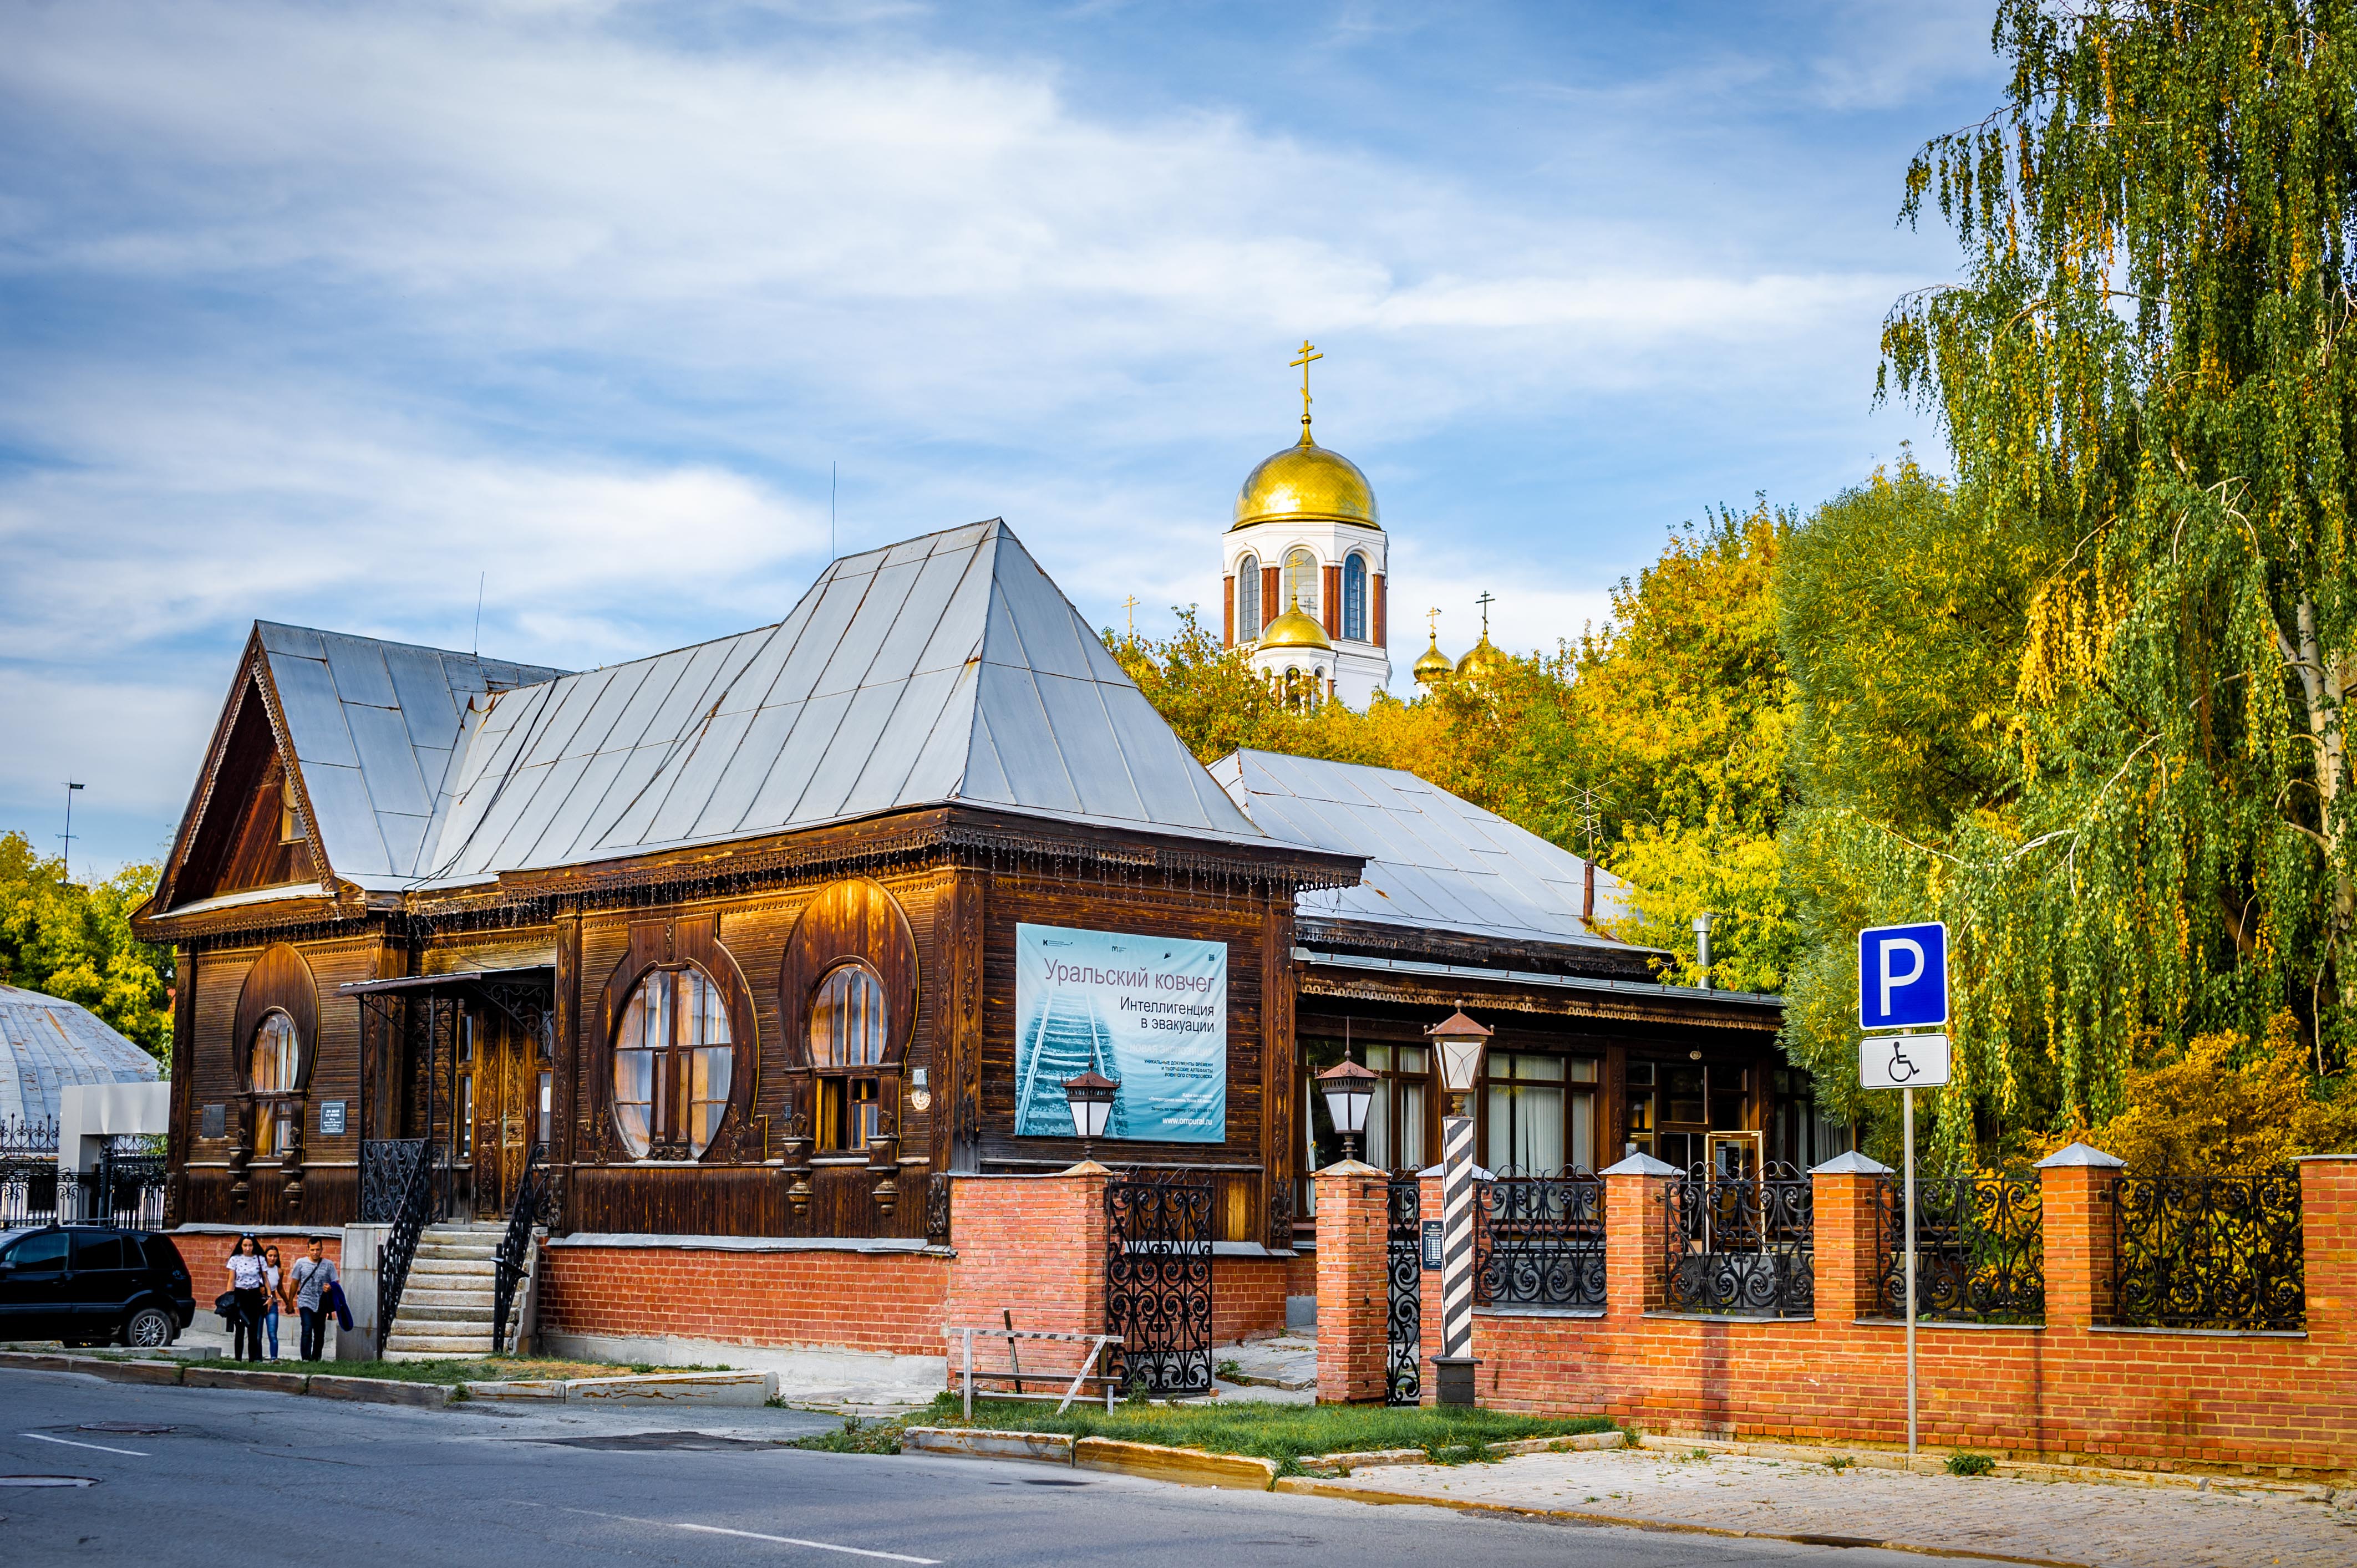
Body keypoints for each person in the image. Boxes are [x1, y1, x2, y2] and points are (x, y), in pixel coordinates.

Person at [289, 1236, 340, 1362]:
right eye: (312, 1250)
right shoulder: (301, 1263)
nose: (315, 1252)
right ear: (308, 1250)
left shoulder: (329, 1265)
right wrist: (290, 1302)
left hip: (321, 1302)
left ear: (322, 1249)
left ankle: (316, 1358)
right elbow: (295, 1282)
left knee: (319, 1331)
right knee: (307, 1328)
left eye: (318, 1250)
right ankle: (306, 1358)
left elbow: (336, 1283)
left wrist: (330, 1288)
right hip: (305, 1301)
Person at [225, 1235, 267, 1361]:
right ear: (241, 1246)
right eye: (245, 1246)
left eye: (250, 1245)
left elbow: (265, 1278)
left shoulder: (260, 1259)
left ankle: (252, 1359)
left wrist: (269, 1295)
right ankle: (238, 1358)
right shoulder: (235, 1259)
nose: (248, 1248)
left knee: (253, 1329)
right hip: (240, 1294)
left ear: (254, 1246)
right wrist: (229, 1297)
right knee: (240, 1328)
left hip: (254, 1295)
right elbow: (231, 1280)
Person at [261, 1244, 285, 1360]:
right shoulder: (260, 1269)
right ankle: (257, 1358)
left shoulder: (279, 1271)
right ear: (265, 1256)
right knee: (258, 1333)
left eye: (275, 1256)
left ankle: (274, 1358)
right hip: (259, 1303)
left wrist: (288, 1302)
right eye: (270, 1256)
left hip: (273, 1304)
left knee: (272, 1333)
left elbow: (280, 1288)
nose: (272, 1258)